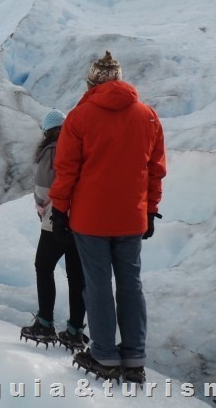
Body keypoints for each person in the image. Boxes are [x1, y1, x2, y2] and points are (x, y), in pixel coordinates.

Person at [48, 51, 166, 384]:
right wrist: (151, 209)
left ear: (93, 83)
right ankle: (134, 357)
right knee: (131, 283)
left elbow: (66, 169)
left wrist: (59, 209)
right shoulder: (148, 116)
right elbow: (154, 171)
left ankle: (103, 353)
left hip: (91, 218)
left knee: (97, 285)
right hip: (131, 216)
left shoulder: (80, 117)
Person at [20, 109, 87, 352]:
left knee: (43, 267)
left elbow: (43, 187)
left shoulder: (50, 150)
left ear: (47, 131)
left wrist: (40, 207)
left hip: (55, 219)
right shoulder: (81, 147)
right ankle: (75, 330)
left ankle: (45, 322)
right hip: (82, 220)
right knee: (77, 276)